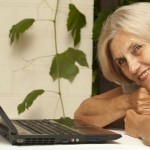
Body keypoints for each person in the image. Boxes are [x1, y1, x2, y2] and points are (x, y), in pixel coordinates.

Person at [74, 2, 150, 146]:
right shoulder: (140, 86)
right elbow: (82, 116)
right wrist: (129, 102)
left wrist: (140, 125)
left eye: (137, 48)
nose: (132, 67)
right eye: (122, 61)